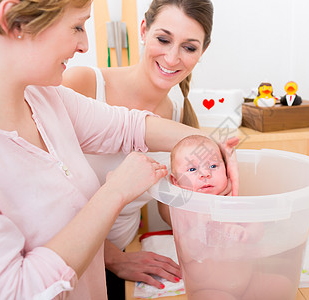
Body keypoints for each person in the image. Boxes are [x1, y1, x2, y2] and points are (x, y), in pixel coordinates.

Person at [0, 0, 238, 299]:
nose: (84, 45)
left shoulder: (47, 99)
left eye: (189, 47)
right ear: (14, 22)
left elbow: (129, 127)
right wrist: (114, 193)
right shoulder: (67, 87)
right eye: (77, 26)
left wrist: (212, 151)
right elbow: (15, 290)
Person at [61, 0, 214, 297]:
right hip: (74, 261)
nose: (172, 58)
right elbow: (47, 204)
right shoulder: (82, 86)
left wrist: (210, 206)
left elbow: (169, 204)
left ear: (202, 52)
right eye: (163, 39)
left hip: (126, 251)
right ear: (144, 30)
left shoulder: (178, 111)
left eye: (189, 47)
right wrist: (113, 259)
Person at [169, 135, 291, 300]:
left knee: (282, 285)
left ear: (227, 170)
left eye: (213, 165)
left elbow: (257, 228)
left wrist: (247, 234)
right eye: (192, 169)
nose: (205, 174)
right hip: (210, 289)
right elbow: (189, 251)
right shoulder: (184, 213)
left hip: (248, 282)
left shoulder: (233, 201)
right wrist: (204, 226)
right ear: (175, 182)